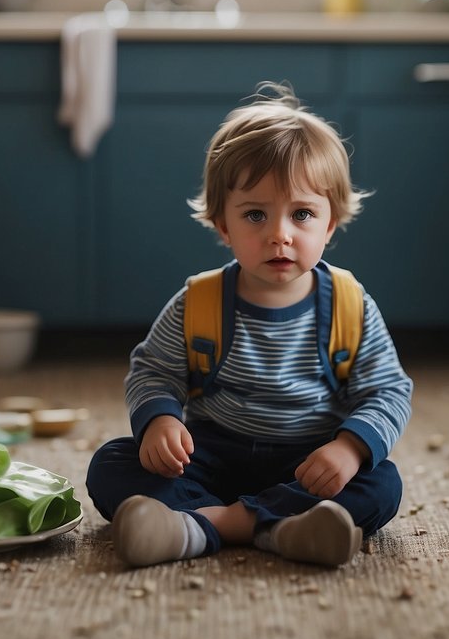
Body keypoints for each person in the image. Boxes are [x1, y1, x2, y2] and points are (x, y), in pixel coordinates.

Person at [86, 83, 412, 568]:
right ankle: (277, 530)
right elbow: (153, 370)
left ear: (329, 225)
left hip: (307, 462)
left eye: (302, 214)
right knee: (112, 463)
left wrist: (347, 448)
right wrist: (160, 421)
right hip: (212, 452)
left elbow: (387, 389)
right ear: (222, 225)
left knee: (381, 483)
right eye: (255, 214)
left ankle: (203, 527)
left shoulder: (349, 304)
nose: (279, 234)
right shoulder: (199, 301)